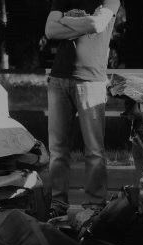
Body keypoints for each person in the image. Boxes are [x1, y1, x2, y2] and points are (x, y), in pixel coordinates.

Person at [44, 0, 120, 218]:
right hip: (58, 79)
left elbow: (97, 24)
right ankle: (57, 203)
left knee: (94, 149)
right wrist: (83, 22)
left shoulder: (110, 0)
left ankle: (95, 205)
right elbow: (50, 31)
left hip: (91, 81)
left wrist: (66, 22)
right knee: (57, 150)